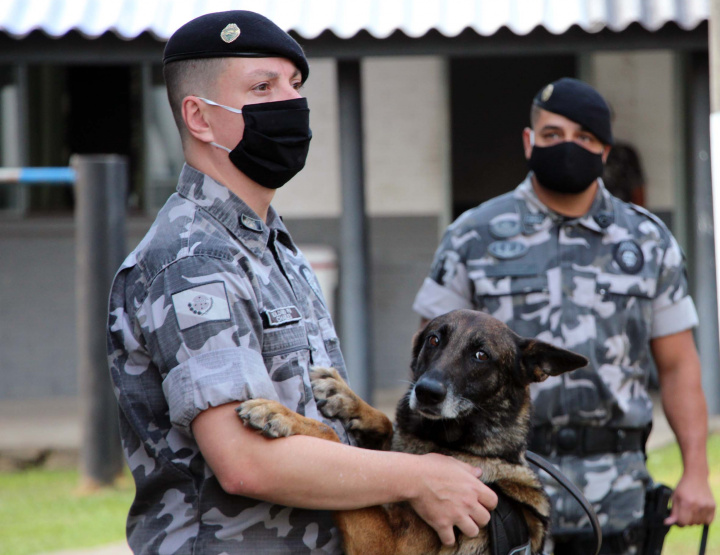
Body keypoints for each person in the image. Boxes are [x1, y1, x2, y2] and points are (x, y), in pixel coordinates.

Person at [107, 10, 496, 554]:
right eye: (263, 87)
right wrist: (418, 477)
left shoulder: (267, 244)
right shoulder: (191, 260)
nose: (290, 102)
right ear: (198, 117)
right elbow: (244, 462)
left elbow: (316, 426)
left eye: (295, 85)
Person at [412, 77, 715, 555]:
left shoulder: (648, 241)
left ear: (605, 151)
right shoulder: (473, 235)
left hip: (618, 494)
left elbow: (678, 366)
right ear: (529, 142)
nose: (567, 146)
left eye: (584, 137)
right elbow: (429, 353)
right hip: (501, 486)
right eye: (552, 135)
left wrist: (695, 473)